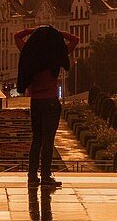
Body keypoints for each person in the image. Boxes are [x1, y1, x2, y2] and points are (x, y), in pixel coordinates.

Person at [15, 25, 79, 189]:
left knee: (36, 140)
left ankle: (31, 176)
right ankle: (45, 176)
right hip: (50, 102)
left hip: (35, 102)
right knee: (48, 141)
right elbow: (75, 40)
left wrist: (32, 31)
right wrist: (57, 33)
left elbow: (17, 36)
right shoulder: (56, 54)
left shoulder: (30, 54)